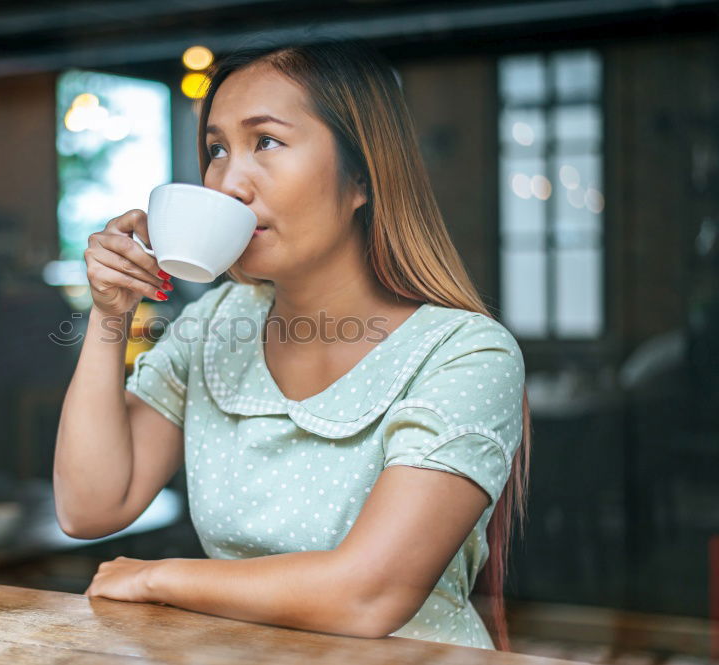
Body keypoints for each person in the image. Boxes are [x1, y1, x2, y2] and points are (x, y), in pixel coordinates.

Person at [54, 37, 532, 651]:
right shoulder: (215, 326)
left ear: (361, 177)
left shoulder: (466, 354)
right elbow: (91, 507)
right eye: (216, 149)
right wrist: (110, 316)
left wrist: (155, 578)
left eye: (267, 142)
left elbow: (369, 594)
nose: (227, 182)